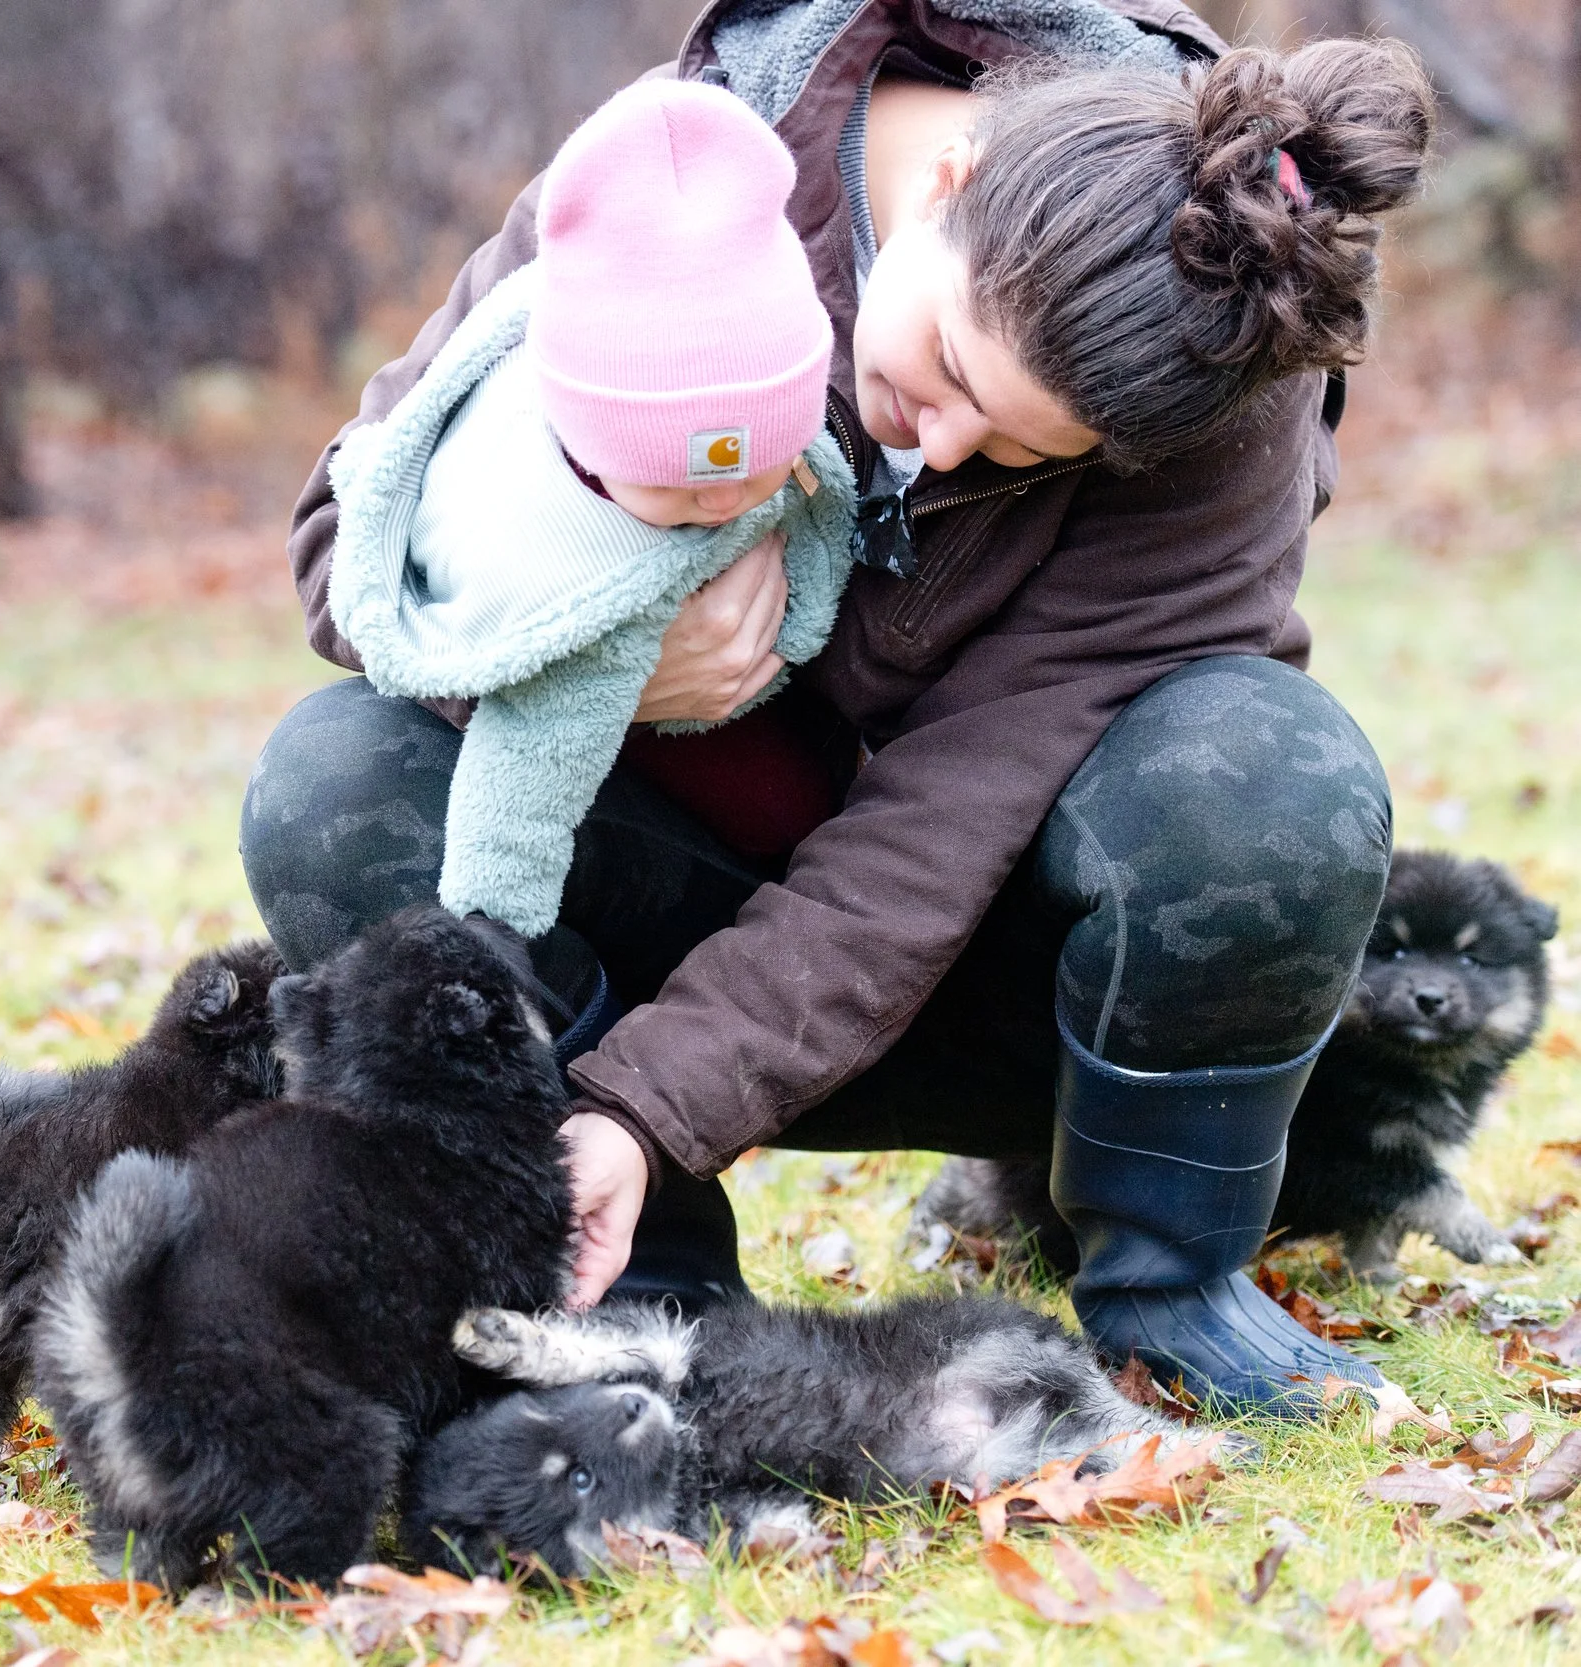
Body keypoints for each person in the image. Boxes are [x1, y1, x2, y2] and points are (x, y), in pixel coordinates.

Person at [242, 0, 1437, 1417]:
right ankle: (635, 1280)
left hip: (1004, 961)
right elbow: (342, 542)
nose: (932, 446)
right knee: (333, 781)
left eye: (1010, 450)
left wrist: (655, 1103)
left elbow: (939, 827)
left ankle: (1168, 1274)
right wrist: (597, 647)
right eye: (946, 375)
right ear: (950, 185)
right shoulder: (676, 173)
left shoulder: (1219, 361)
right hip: (658, 908)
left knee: (1266, 771)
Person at [325, 79, 854, 940]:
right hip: (626, 802)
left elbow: (830, 509)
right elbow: (517, 795)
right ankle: (553, 1025)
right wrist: (492, 934)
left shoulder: (813, 395)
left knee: (794, 813)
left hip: (827, 823)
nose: (721, 498)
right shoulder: (526, 530)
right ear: (580, 432)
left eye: (759, 463)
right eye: (674, 483)